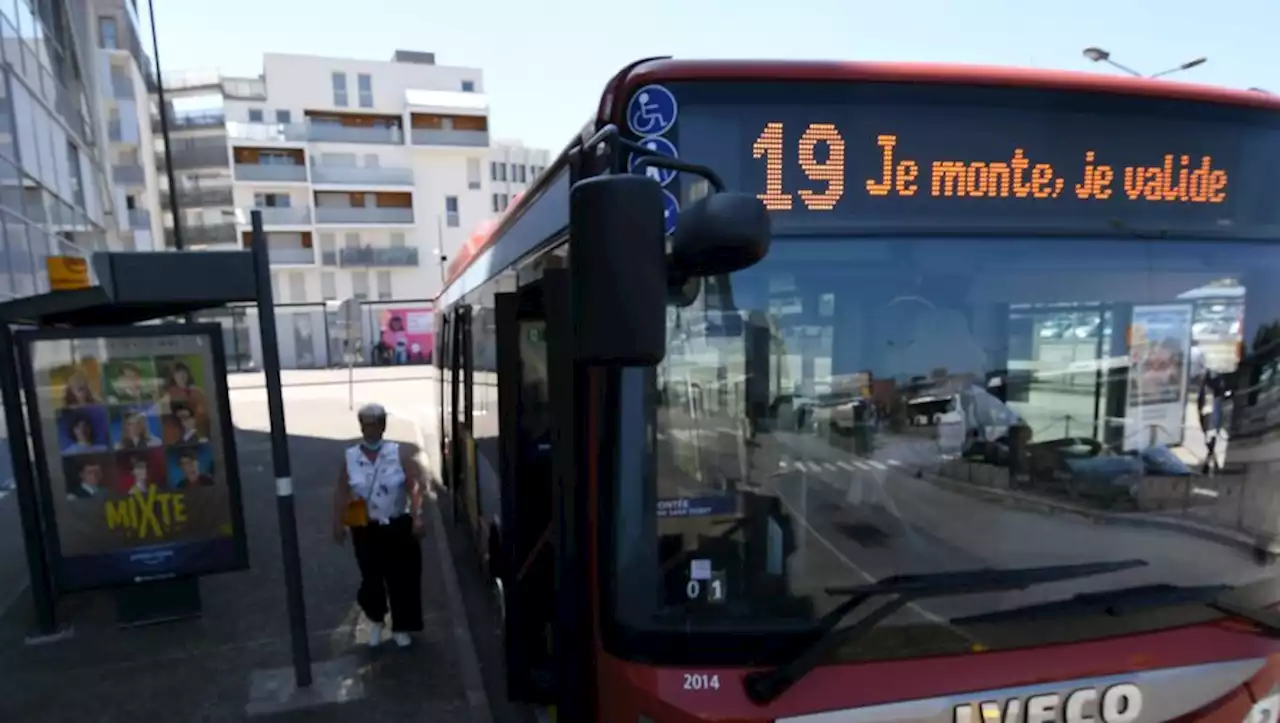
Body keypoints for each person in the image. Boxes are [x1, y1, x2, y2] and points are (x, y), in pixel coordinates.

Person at [332, 403, 426, 648]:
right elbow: (342, 489)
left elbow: (414, 485)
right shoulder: (351, 457)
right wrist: (338, 521)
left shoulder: (398, 453)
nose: (368, 429)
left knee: (401, 577)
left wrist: (417, 515)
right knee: (371, 578)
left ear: (383, 426)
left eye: (373, 424)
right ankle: (375, 620)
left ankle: (402, 626)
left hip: (396, 523)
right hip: (363, 525)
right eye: (364, 424)